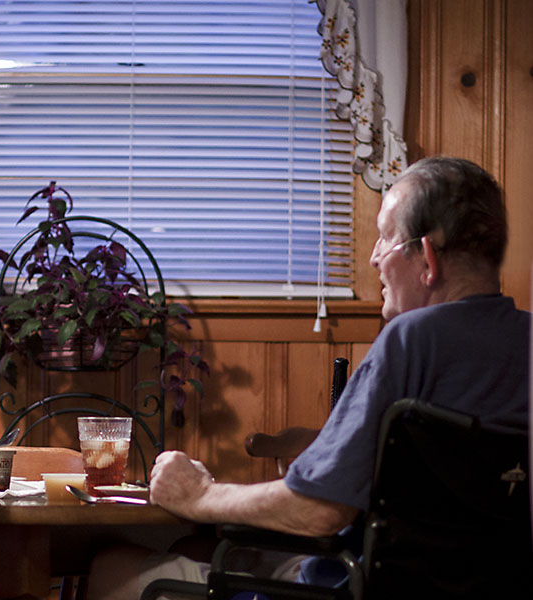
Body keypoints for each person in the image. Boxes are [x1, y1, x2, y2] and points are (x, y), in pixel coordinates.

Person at [86, 156, 531, 599]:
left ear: (427, 258)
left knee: (110, 568)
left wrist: (200, 494)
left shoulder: (411, 339)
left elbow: (320, 511)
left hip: (346, 587)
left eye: (385, 237)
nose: (374, 257)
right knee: (194, 548)